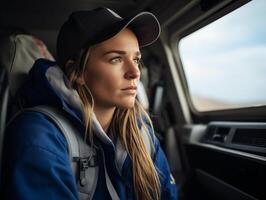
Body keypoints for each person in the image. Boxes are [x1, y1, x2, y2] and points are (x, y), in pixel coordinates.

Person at [2, 7, 177, 200]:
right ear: (77, 71)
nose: (135, 72)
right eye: (116, 58)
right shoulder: (38, 134)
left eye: (136, 59)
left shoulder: (143, 133)